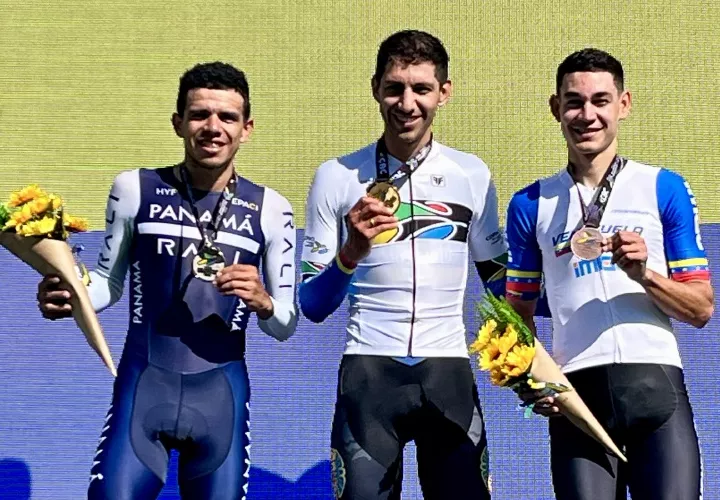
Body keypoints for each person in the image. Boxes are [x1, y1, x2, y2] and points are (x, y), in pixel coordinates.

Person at [36, 62, 297, 499]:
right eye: (199, 115)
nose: (213, 128)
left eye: (227, 117)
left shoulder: (272, 208)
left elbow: (285, 325)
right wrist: (69, 291)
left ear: (247, 128)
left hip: (221, 397)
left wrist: (263, 301)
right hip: (144, 386)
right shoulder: (134, 188)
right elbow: (106, 284)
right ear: (178, 123)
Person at [299, 29, 509, 500]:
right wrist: (351, 251)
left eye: (421, 88)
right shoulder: (336, 176)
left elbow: (499, 284)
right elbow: (312, 303)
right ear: (375, 88)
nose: (407, 102)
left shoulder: (471, 174)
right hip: (369, 376)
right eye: (395, 87)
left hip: (448, 371)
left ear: (444, 93)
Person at [505, 48, 714, 500]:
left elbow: (701, 309)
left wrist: (646, 276)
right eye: (574, 101)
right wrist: (530, 382)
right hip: (578, 404)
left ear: (624, 104)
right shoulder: (530, 204)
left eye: (601, 100)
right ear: (556, 108)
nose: (587, 115)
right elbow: (515, 314)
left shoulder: (663, 186)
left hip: (656, 394)